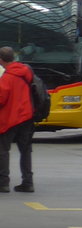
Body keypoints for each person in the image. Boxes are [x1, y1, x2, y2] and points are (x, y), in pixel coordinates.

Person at [0, 45, 36, 194]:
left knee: (3, 150)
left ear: (1, 60)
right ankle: (28, 183)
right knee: (25, 150)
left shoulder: (7, 78)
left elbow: (1, 99)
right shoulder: (26, 72)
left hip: (11, 118)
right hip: (27, 116)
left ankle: (3, 183)